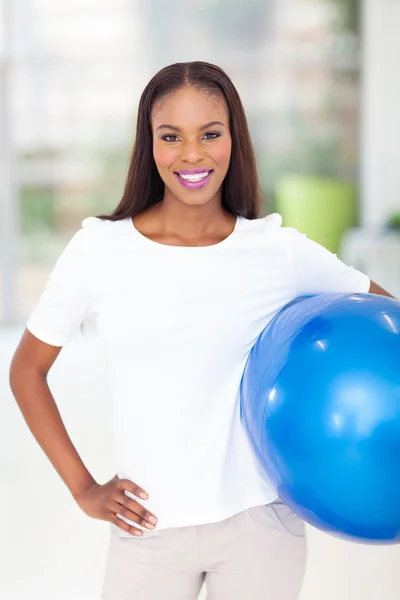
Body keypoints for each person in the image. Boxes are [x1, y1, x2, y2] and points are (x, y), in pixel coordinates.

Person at [9, 61, 395, 600]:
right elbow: (28, 370)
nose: (193, 155)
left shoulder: (277, 251)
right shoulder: (100, 250)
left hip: (261, 527)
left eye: (210, 134)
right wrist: (85, 490)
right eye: (172, 137)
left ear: (234, 139)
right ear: (150, 145)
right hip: (147, 526)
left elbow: (385, 317)